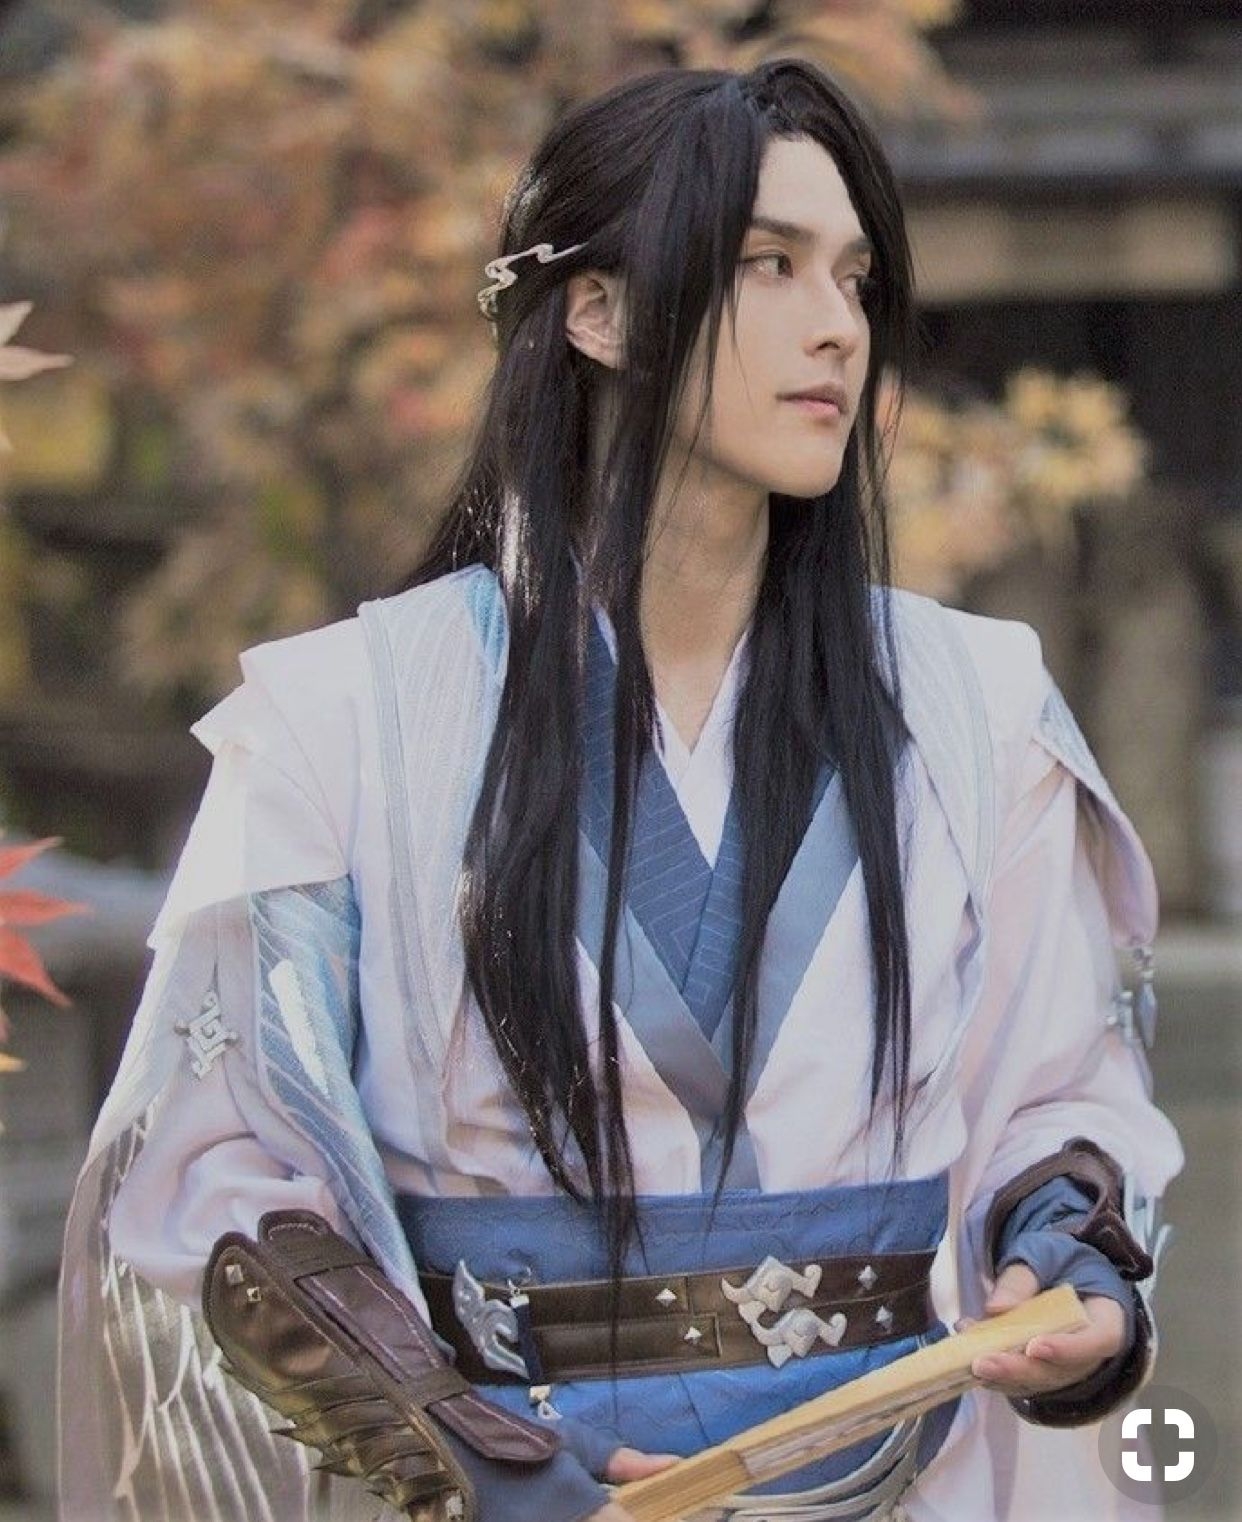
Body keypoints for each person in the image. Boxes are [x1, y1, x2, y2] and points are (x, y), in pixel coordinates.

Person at [59, 58, 1183, 1522]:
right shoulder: (343, 718)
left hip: (907, 1479)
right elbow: (227, 1179)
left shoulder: (975, 705)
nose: (837, 325)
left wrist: (1066, 1263)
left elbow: (1056, 1088)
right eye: (767, 265)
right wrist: (468, 1454)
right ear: (594, 312)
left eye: (853, 278)